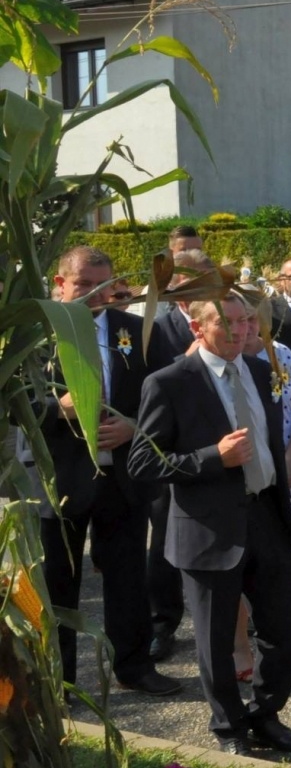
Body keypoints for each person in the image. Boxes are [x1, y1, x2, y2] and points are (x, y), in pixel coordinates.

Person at [129, 296, 291, 755]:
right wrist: (214, 457)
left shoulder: (259, 371)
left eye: (246, 321)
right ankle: (230, 729)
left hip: (268, 517)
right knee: (216, 641)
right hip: (209, 529)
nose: (238, 331)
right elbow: (142, 461)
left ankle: (266, 716)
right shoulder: (170, 382)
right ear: (198, 326)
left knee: (283, 630)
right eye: (226, 323)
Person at [38, 247, 179, 697]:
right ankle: (58, 681)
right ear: (60, 284)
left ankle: (133, 667)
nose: (94, 295)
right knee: (58, 582)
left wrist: (136, 426)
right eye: (83, 285)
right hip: (57, 480)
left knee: (126, 576)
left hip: (123, 476)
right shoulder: (35, 336)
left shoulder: (141, 332)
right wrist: (56, 410)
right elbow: (14, 401)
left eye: (103, 286)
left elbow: (171, 397)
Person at [233, 299, 291, 681]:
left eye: (255, 318)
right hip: (239, 479)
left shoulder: (282, 354)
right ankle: (240, 648)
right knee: (236, 565)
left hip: (290, 478)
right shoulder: (217, 358)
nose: (249, 326)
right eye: (241, 319)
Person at [145, 247, 218, 662]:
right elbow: (149, 385)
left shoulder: (230, 318)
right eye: (184, 281)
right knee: (165, 539)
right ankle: (163, 622)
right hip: (173, 451)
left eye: (202, 279)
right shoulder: (155, 328)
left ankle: (234, 622)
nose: (192, 287)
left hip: (221, 448)